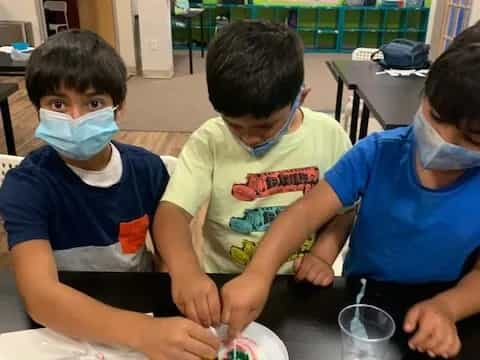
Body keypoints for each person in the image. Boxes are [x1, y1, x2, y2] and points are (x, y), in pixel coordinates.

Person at [220, 23, 480, 359]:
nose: (444, 138)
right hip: (362, 300)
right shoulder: (378, 153)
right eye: (437, 116)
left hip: (448, 309)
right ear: (425, 91)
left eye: (471, 138)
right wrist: (258, 273)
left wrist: (448, 307)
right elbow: (306, 212)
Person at [0, 30, 219, 360]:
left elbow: (167, 253)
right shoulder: (25, 186)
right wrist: (143, 333)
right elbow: (41, 295)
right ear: (38, 109)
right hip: (65, 318)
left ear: (119, 107)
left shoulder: (147, 170)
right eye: (59, 104)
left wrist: (180, 284)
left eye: (94, 103)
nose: (76, 118)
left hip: (136, 299)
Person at [153, 20, 353, 329]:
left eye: (264, 126)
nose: (248, 138)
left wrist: (323, 254)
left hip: (297, 285)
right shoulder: (210, 139)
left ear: (301, 97)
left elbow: (345, 211)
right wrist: (186, 270)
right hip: (223, 284)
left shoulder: (330, 136)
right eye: (233, 124)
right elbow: (171, 214)